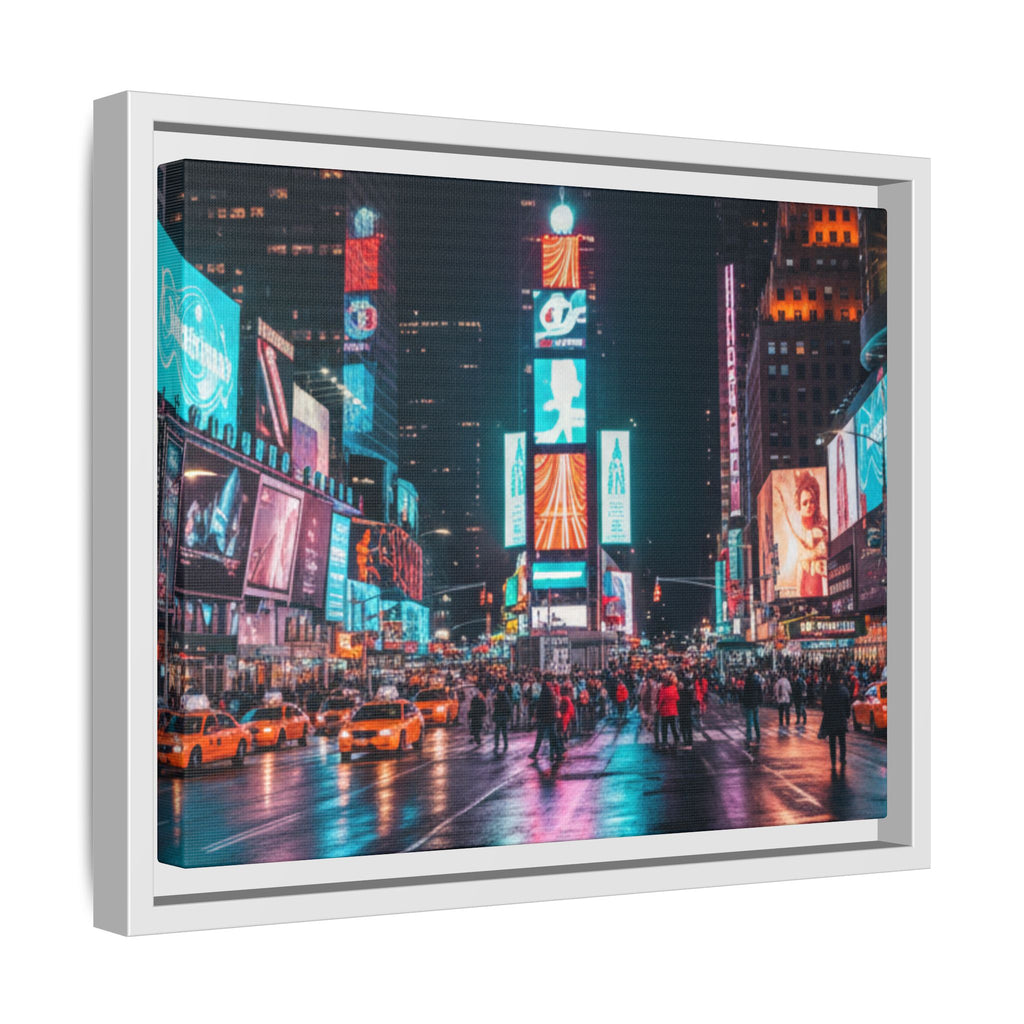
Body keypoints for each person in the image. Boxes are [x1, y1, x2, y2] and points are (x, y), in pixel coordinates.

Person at [776, 471, 829, 598]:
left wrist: (810, 555)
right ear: (799, 505)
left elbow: (824, 551)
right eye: (805, 503)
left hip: (821, 585)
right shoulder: (797, 531)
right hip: (804, 585)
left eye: (812, 502)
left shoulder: (822, 530)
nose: (809, 506)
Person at [820, 674, 852, 773]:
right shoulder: (844, 690)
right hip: (841, 719)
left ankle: (833, 760)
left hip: (831, 719)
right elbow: (848, 705)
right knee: (842, 741)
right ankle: (842, 758)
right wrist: (847, 715)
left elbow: (823, 706)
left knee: (832, 742)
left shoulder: (828, 691)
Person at [529, 680, 563, 763]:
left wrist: (536, 715)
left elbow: (540, 705)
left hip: (545, 718)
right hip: (549, 717)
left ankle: (535, 752)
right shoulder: (549, 691)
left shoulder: (544, 691)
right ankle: (558, 754)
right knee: (553, 736)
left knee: (541, 736)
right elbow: (552, 704)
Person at [657, 673, 680, 749]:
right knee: (673, 726)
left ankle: (665, 742)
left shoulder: (663, 690)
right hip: (673, 711)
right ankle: (676, 740)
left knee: (664, 728)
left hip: (665, 711)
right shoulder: (674, 688)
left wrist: (658, 709)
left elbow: (661, 701)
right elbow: (677, 698)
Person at [741, 671, 763, 747]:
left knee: (749, 722)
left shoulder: (747, 682)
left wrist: (743, 703)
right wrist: (760, 702)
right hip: (755, 704)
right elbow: (760, 693)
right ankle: (758, 735)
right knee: (756, 720)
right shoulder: (757, 682)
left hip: (749, 704)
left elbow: (745, 694)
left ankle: (749, 738)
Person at [492, 683, 512, 755]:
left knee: (500, 731)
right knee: (501, 731)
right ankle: (502, 744)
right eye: (500, 686)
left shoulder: (500, 695)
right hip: (500, 716)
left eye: (502, 686)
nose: (501, 687)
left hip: (501, 716)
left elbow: (508, 706)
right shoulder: (501, 695)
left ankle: (500, 744)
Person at [678, 675, 695, 750]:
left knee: (687, 728)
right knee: (683, 728)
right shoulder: (682, 692)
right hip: (682, 713)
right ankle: (686, 743)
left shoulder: (687, 693)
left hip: (686, 713)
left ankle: (688, 744)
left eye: (681, 684)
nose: (679, 685)